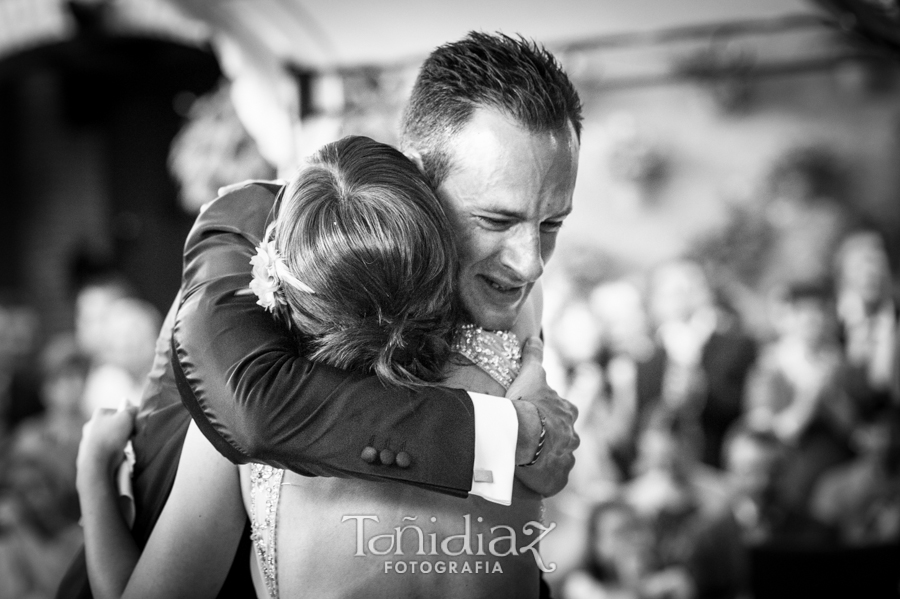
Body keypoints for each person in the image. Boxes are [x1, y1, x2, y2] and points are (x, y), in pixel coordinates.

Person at [59, 31, 582, 598]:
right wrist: (511, 440)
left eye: (552, 224)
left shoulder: (519, 314)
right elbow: (252, 413)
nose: (531, 264)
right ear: (419, 177)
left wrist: (94, 470)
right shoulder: (259, 351)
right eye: (496, 220)